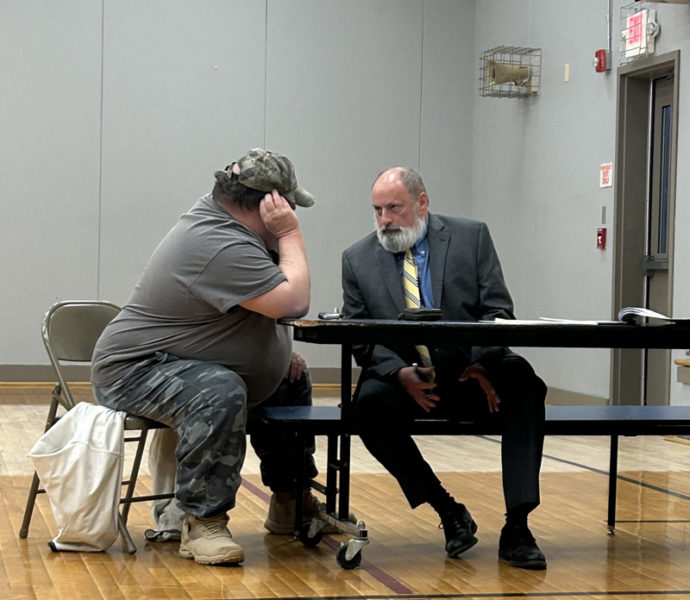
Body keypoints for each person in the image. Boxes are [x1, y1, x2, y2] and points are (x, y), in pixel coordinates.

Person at [91, 148, 323, 566]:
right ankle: (202, 521)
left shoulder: (234, 228)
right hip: (133, 370)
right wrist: (290, 234)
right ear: (270, 204)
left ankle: (291, 502)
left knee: (290, 378)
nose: (292, 211)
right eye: (288, 203)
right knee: (219, 390)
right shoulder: (217, 242)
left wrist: (279, 352)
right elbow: (295, 301)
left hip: (176, 360)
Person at [341, 167, 547, 570]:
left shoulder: (471, 237)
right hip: (406, 376)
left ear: (422, 202)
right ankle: (448, 510)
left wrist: (480, 363)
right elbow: (360, 336)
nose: (384, 220)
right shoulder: (357, 258)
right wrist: (400, 374)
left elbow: (498, 312)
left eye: (394, 208)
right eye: (377, 210)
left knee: (524, 384)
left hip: (471, 368)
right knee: (366, 406)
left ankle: (518, 526)